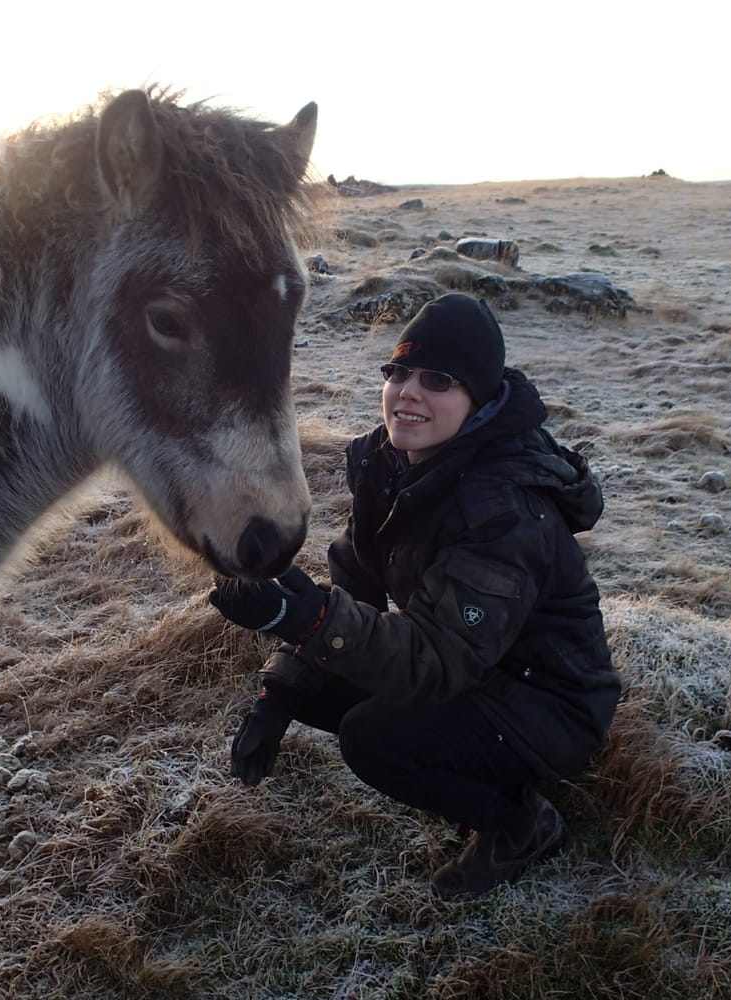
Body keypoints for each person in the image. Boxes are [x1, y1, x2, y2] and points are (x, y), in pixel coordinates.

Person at [209, 291, 619, 899]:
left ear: (477, 398)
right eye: (398, 371)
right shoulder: (391, 464)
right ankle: (469, 772)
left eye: (439, 379)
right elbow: (355, 587)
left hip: (548, 702)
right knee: (329, 685)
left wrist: (303, 618)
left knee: (374, 739)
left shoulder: (502, 507)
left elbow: (438, 660)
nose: (408, 391)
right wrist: (278, 697)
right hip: (479, 668)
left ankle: (520, 826)